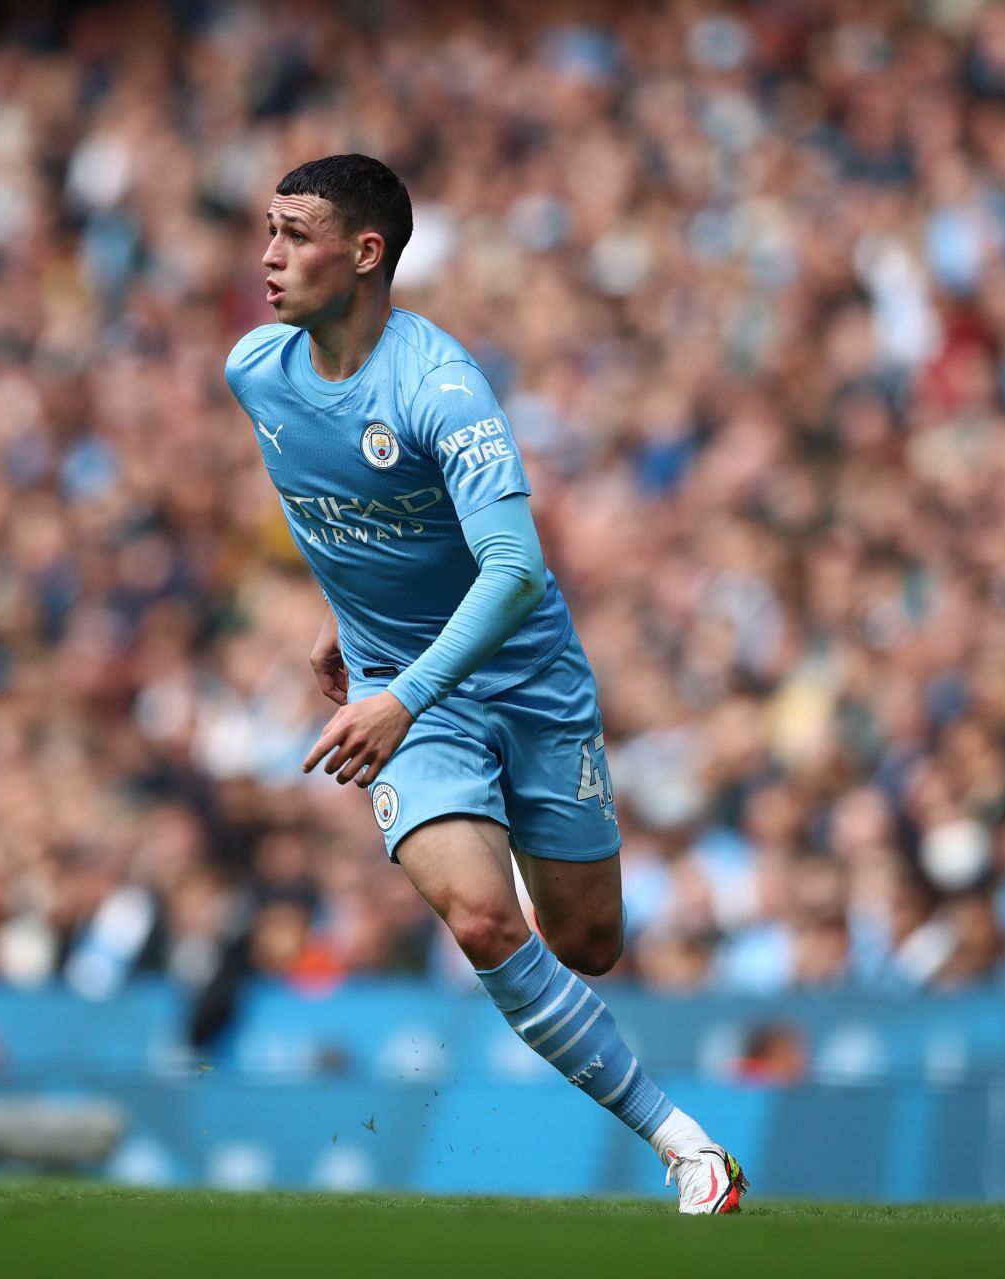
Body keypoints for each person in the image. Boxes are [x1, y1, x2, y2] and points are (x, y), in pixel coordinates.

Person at [224, 154, 747, 1214]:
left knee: (589, 942)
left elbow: (514, 570)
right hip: (402, 696)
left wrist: (402, 689)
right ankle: (689, 1147)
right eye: (266, 229)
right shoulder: (254, 371)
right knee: (477, 918)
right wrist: (355, 624)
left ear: (365, 253)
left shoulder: (439, 387)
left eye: (294, 233)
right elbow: (342, 502)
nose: (268, 256)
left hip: (525, 679)